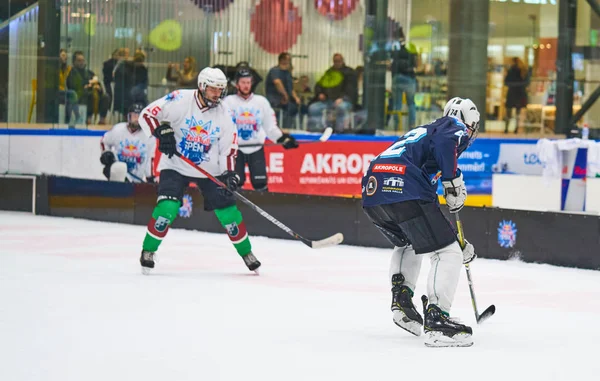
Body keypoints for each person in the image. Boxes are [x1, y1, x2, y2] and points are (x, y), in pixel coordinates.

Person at [361, 97, 480, 348]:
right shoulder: (451, 126)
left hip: (373, 189)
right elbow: (448, 143)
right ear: (468, 124)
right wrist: (454, 181)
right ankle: (437, 319)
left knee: (409, 242)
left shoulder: (424, 134)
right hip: (404, 187)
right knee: (448, 254)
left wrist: (455, 238)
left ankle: (402, 302)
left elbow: (426, 218)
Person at [137, 67, 261, 274]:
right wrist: (160, 131)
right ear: (202, 86)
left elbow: (228, 149)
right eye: (213, 89)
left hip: (209, 170)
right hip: (175, 164)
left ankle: (247, 253)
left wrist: (229, 173)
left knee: (229, 213)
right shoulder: (179, 100)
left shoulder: (225, 113)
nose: (218, 94)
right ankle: (148, 251)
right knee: (166, 209)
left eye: (221, 90)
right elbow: (147, 114)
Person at [222, 69, 298, 191]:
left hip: (256, 149)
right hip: (236, 150)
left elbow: (270, 127)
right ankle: (234, 210)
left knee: (260, 183)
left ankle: (263, 209)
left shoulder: (261, 102)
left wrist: (283, 139)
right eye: (243, 82)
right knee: (234, 183)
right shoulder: (228, 102)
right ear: (237, 84)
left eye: (248, 82)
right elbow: (221, 126)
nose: (246, 85)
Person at [100, 103, 156, 183]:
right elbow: (104, 141)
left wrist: (149, 176)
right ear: (128, 117)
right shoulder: (118, 130)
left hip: (137, 181)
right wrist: (106, 153)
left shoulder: (149, 135)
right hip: (118, 177)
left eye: (139, 117)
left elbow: (150, 158)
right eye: (134, 116)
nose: (137, 119)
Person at [307, 53, 357, 132]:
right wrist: (320, 93)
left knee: (341, 107)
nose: (336, 63)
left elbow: (351, 89)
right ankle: (317, 129)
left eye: (338, 61)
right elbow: (319, 85)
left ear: (342, 61)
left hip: (344, 101)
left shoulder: (349, 72)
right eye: (335, 61)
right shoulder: (329, 72)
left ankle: (340, 131)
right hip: (328, 100)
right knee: (313, 108)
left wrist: (342, 98)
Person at [66, 51, 110, 125]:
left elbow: (97, 82)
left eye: (83, 60)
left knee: (106, 97)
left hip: (93, 94)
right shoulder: (71, 74)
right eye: (79, 60)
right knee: (89, 95)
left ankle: (102, 120)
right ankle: (88, 119)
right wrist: (88, 86)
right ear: (74, 62)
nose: (81, 62)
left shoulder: (89, 72)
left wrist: (98, 87)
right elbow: (73, 86)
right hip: (80, 96)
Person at [390, 29, 418, 130]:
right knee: (411, 103)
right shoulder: (410, 46)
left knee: (397, 104)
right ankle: (412, 125)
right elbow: (416, 62)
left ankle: (397, 126)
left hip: (397, 77)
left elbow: (390, 63)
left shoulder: (393, 47)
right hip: (409, 77)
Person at [265, 52, 301, 129]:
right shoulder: (275, 71)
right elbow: (277, 83)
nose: (288, 62)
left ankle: (293, 128)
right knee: (288, 107)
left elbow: (291, 88)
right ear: (281, 60)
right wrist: (285, 95)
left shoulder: (287, 73)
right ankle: (283, 128)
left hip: (286, 99)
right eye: (287, 60)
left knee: (300, 107)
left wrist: (296, 98)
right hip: (275, 98)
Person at [504, 57, 529, 134]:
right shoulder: (523, 71)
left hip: (512, 93)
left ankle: (506, 128)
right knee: (518, 113)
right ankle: (516, 128)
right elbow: (526, 83)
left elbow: (506, 82)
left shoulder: (512, 71)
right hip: (520, 93)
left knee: (509, 112)